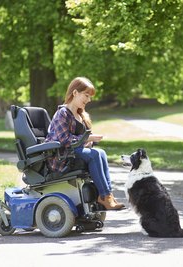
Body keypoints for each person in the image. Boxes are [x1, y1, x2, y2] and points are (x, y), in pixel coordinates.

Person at [45, 77, 125, 210]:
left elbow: (80, 140)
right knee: (94, 155)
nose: (89, 100)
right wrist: (87, 139)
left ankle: (107, 195)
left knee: (101, 153)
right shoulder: (62, 113)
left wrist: (89, 142)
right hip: (62, 157)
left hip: (73, 153)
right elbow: (63, 139)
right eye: (86, 95)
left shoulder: (80, 115)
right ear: (75, 93)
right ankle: (104, 196)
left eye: (90, 97)